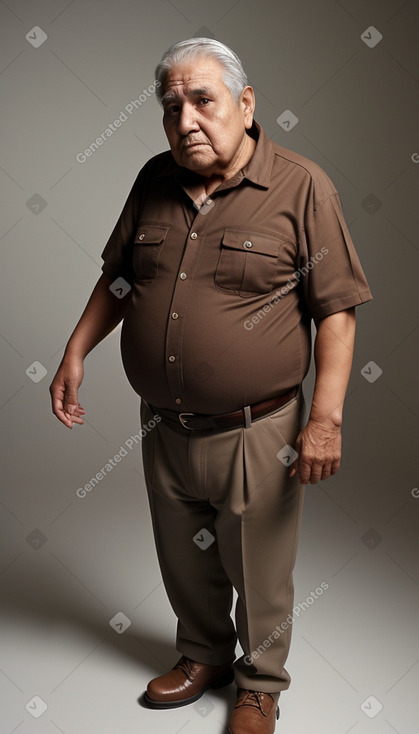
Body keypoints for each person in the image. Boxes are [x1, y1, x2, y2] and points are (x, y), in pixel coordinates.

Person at [50, 38, 372, 733]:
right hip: (163, 423)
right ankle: (203, 656)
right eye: (171, 107)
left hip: (257, 428)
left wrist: (326, 420)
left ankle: (259, 685)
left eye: (202, 100)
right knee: (182, 554)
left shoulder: (301, 185)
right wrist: (75, 350)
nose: (186, 120)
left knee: (258, 568)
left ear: (245, 103)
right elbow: (120, 279)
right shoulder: (153, 179)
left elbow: (336, 313)